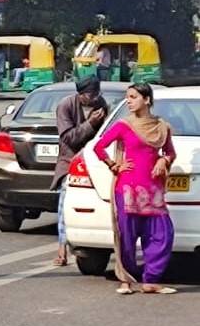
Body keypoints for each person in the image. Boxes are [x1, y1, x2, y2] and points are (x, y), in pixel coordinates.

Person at [92, 83, 177, 294]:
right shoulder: (124, 125)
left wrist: (163, 161)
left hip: (152, 189)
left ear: (146, 100)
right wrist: (114, 165)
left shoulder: (161, 127)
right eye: (127, 97)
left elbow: (170, 152)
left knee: (162, 234)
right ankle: (126, 280)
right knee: (127, 237)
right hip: (128, 188)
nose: (129, 101)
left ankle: (151, 280)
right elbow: (98, 146)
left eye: (133, 97)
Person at [53, 76, 109, 266]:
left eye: (97, 94)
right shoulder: (66, 106)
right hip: (70, 162)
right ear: (80, 94)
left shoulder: (101, 105)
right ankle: (61, 250)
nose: (94, 99)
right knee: (63, 208)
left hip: (94, 162)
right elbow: (68, 138)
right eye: (90, 95)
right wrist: (90, 124)